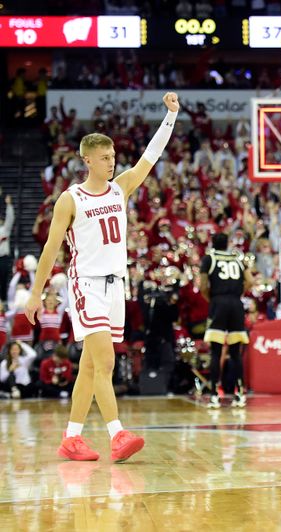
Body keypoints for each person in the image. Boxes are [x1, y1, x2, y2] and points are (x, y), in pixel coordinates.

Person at [24, 92, 180, 461]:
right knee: (106, 362)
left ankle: (71, 438)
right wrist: (35, 293)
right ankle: (117, 434)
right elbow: (50, 250)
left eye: (113, 157)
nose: (112, 162)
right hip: (86, 285)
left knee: (92, 366)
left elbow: (150, 156)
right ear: (87, 159)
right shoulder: (71, 199)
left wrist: (170, 116)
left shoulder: (120, 187)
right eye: (105, 157)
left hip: (116, 286)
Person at [200, 232, 254, 409]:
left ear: (212, 243)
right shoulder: (237, 258)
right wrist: (237, 294)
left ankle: (215, 395)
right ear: (227, 244)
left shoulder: (209, 258)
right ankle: (239, 395)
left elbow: (202, 285)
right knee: (235, 352)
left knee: (216, 352)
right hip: (236, 304)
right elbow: (250, 281)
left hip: (219, 303)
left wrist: (212, 299)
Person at [0, 194, 15, 303]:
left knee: (4, 280)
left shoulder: (5, 229)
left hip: (3, 258)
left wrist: (9, 205)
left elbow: (10, 219)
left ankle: (4, 301)